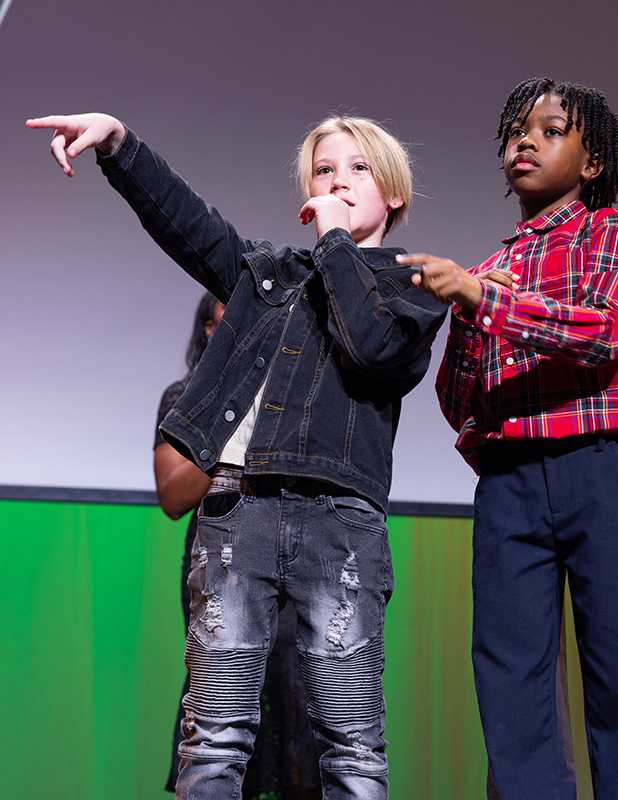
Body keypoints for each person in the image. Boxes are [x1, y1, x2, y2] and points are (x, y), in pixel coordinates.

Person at [28, 111, 446, 800]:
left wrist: (337, 239)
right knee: (214, 742)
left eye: (358, 168)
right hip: (236, 514)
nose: (338, 179)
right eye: (323, 169)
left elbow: (371, 347)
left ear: (394, 192)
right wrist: (118, 143)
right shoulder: (269, 274)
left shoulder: (413, 288)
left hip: (338, 525)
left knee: (352, 747)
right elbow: (187, 223)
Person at [399, 78, 618, 799]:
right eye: (516, 131)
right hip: (510, 483)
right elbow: (459, 400)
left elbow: (605, 333)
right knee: (511, 684)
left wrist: (480, 299)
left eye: (549, 130)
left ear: (591, 162)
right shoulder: (485, 272)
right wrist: (459, 316)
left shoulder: (613, 233)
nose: (524, 140)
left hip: (598, 469)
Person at [155, 293, 321, 800]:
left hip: (291, 552)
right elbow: (173, 495)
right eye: (234, 318)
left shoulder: (291, 396)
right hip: (221, 556)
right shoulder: (185, 397)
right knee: (222, 692)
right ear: (210, 329)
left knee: (300, 690)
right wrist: (234, 427)